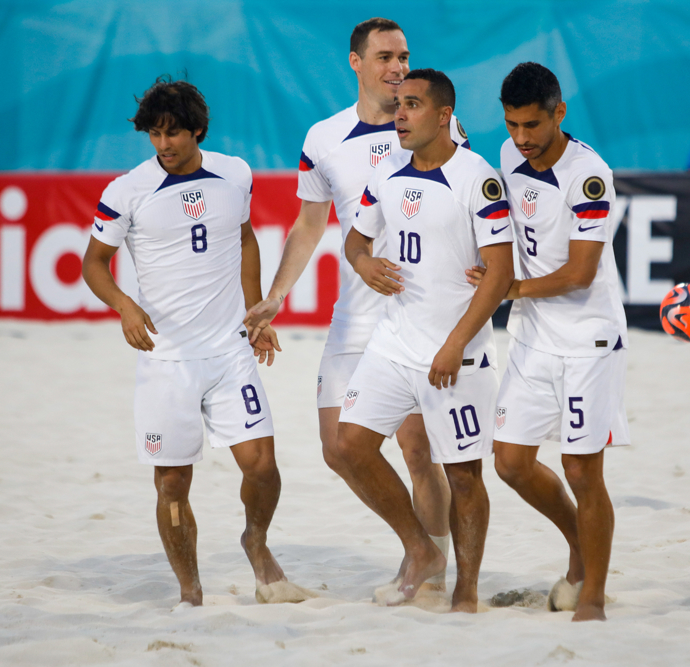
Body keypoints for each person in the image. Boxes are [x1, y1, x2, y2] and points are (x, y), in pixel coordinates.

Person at [243, 18, 470, 590]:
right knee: (338, 449)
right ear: (356, 63)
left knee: (418, 449)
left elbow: (464, 201)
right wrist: (275, 295)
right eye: (387, 56)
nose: (398, 66)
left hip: (415, 313)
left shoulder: (434, 126)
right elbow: (310, 223)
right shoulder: (323, 138)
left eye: (405, 55)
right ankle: (421, 550)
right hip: (354, 319)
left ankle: (430, 574)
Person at [81, 77, 309, 609]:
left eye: (174, 133)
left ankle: (255, 539)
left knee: (262, 467)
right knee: (172, 487)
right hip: (166, 361)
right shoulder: (127, 190)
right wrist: (124, 305)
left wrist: (256, 312)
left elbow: (246, 237)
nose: (164, 145)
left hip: (230, 352)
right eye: (155, 135)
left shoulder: (235, 173)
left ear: (198, 130)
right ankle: (190, 593)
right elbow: (93, 263)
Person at [331, 69, 514, 612]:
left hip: (459, 352)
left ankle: (467, 592)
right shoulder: (385, 169)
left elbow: (500, 274)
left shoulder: (477, 178)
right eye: (397, 105)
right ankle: (421, 550)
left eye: (412, 105)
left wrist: (456, 342)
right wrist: (364, 263)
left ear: (443, 116)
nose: (400, 115)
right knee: (348, 447)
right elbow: (355, 239)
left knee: (462, 475)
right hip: (395, 341)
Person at [467, 62, 630, 622]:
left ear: (560, 112)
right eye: (512, 125)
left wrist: (509, 287)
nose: (522, 138)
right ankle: (579, 543)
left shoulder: (591, 175)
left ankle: (593, 595)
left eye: (532, 124)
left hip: (588, 339)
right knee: (510, 462)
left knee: (583, 471)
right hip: (535, 335)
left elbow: (580, 273)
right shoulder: (512, 156)